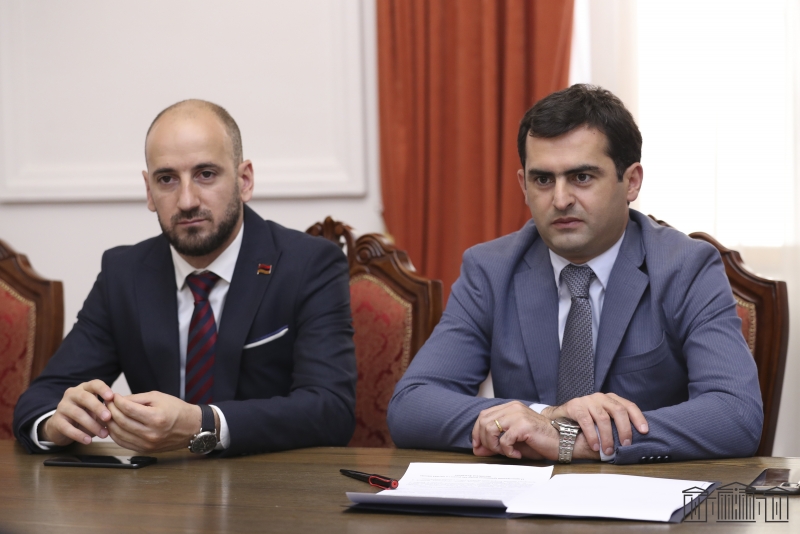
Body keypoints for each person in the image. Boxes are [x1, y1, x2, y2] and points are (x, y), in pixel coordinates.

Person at [387, 84, 763, 465]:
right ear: (523, 186)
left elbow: (736, 414)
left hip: (645, 492)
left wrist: (573, 442)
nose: (561, 199)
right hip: (526, 498)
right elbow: (411, 406)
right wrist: (542, 418)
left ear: (631, 182)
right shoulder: (490, 269)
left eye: (581, 177)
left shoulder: (686, 267)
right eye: (543, 180)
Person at [13, 100, 357, 457]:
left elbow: (332, 409)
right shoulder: (124, 274)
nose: (187, 200)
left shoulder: (309, 265)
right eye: (167, 179)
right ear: (149, 191)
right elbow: (38, 402)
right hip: (158, 487)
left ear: (244, 180)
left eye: (205, 174)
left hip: (270, 483)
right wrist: (57, 424)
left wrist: (202, 423)